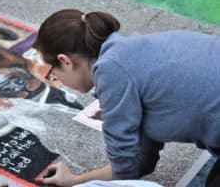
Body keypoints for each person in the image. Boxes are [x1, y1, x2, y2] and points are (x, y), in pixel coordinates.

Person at [32, 9, 220, 187]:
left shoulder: (111, 71)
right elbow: (140, 162)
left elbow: (124, 175)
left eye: (51, 73)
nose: (56, 79)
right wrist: (74, 180)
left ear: (65, 61)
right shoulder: (127, 55)